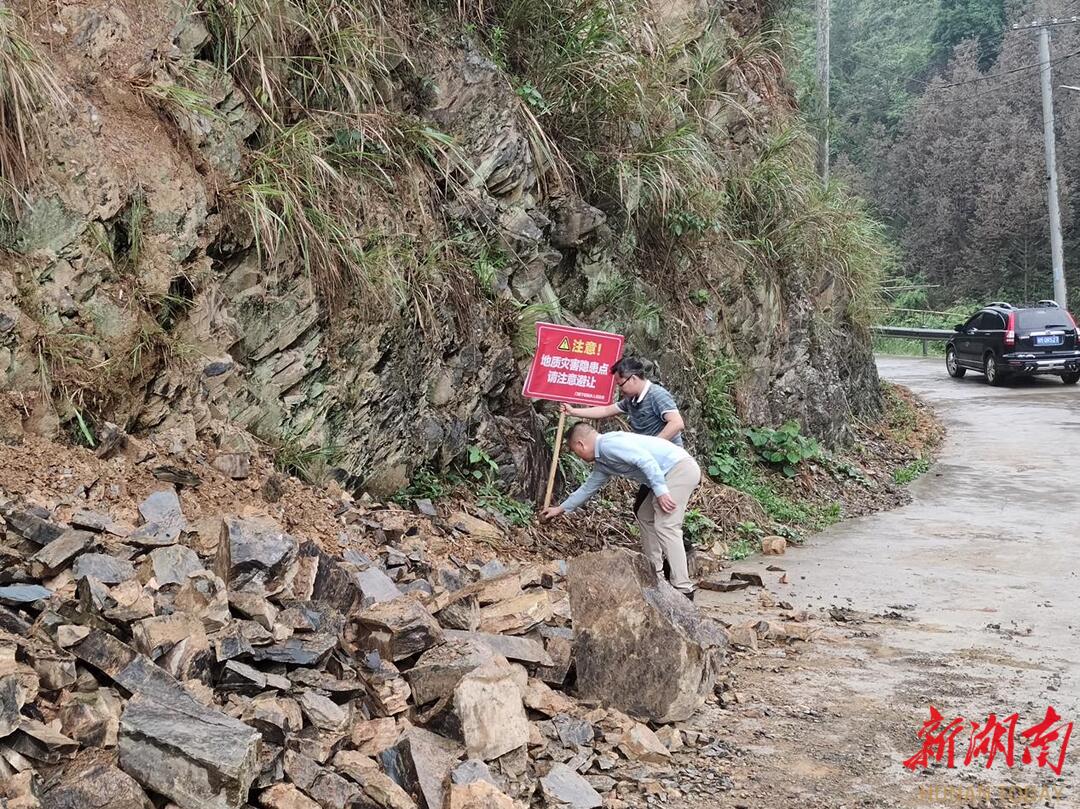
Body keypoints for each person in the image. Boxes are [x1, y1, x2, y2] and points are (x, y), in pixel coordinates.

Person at [540, 423, 701, 599]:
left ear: (581, 444)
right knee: (645, 515)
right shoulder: (603, 462)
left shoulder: (609, 444)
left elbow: (645, 460)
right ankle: (656, 574)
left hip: (679, 469)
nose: (578, 456)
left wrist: (661, 491)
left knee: (667, 525)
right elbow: (588, 488)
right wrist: (561, 509)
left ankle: (683, 588)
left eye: (575, 451)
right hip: (666, 474)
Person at [561, 357, 685, 446]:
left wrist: (653, 445)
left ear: (633, 379)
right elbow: (606, 410)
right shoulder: (631, 400)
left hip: (671, 460)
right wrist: (573, 411)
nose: (620, 389)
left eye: (621, 384)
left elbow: (677, 423)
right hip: (652, 460)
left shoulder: (657, 394)